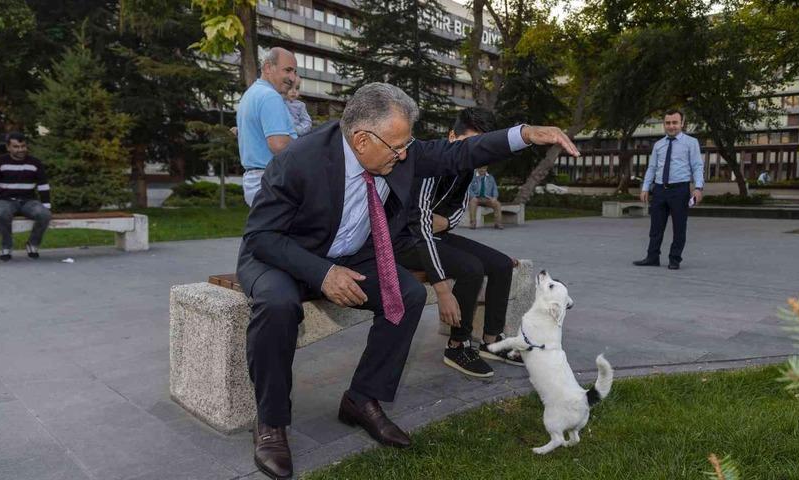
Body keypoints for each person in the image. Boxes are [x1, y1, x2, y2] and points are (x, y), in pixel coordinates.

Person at [237, 82, 579, 479]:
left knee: (408, 295)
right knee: (278, 306)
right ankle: (272, 424)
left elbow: (459, 153)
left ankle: (362, 399)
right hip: (283, 254)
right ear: (361, 139)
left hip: (349, 254)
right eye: (397, 147)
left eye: (407, 146)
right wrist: (322, 273)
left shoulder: (395, 150)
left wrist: (525, 135)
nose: (404, 156)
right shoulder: (299, 160)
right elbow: (261, 236)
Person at [397, 107, 523, 379]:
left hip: (433, 233)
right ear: (452, 136)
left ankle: (492, 340)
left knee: (501, 264)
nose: (477, 152)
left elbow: (457, 211)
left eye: (483, 146)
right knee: (470, 267)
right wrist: (442, 290)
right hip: (405, 241)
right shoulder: (429, 162)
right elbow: (419, 227)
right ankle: (458, 345)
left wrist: (442, 221)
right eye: (473, 144)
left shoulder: (467, 167)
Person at [633, 109, 704, 270]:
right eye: (668, 123)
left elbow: (697, 166)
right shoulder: (659, 145)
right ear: (664, 124)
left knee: (679, 227)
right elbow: (652, 168)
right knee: (655, 226)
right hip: (659, 190)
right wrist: (645, 187)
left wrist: (698, 187)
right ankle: (652, 257)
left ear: (682, 123)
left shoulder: (691, 143)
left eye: (675, 123)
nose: (671, 126)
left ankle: (675, 258)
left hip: (680, 190)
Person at [236, 47, 299, 206]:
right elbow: (278, 145)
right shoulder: (270, 97)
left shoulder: (251, 94)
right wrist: (308, 147)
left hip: (256, 182)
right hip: (272, 182)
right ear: (267, 68)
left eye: (294, 72)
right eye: (288, 70)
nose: (292, 77)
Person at [0, 132, 52, 261]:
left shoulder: (35, 163)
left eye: (23, 146)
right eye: (16, 146)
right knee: (1, 214)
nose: (20, 149)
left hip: (28, 201)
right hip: (5, 201)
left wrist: (46, 206)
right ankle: (6, 247)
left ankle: (33, 244)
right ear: (8, 147)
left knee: (45, 215)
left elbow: (43, 186)